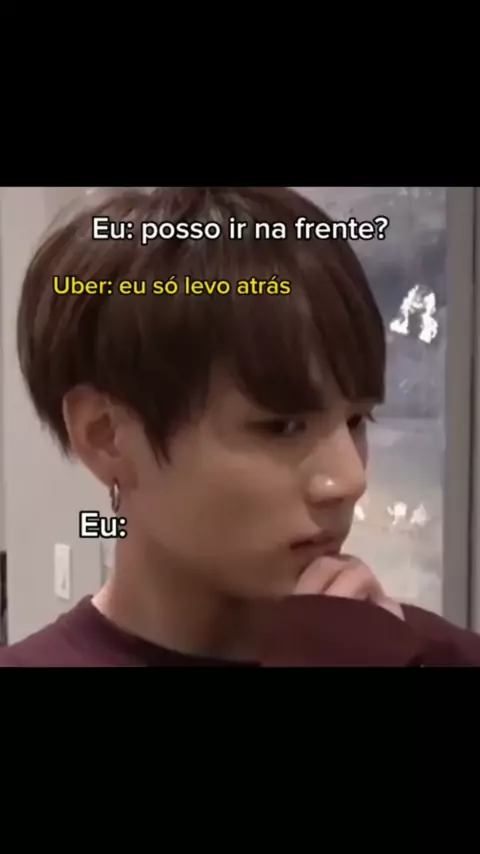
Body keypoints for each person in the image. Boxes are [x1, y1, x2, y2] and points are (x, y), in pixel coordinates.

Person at [1, 186, 479, 667]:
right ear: (106, 436)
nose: (350, 479)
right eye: (283, 426)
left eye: (356, 420)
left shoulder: (424, 653)